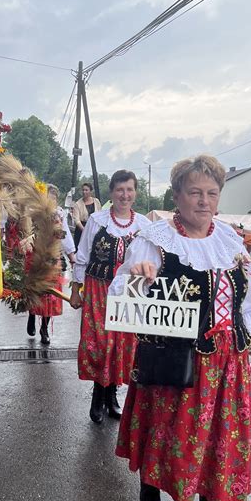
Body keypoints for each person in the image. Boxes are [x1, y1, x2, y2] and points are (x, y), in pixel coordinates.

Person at [109, 155, 251, 501]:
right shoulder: (155, 239)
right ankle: (150, 480)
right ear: (177, 196)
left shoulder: (232, 242)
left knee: (223, 449)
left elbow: (247, 304)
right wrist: (137, 276)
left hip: (230, 365)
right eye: (195, 192)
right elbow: (119, 296)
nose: (204, 201)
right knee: (166, 436)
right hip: (178, 363)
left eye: (212, 193)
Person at [70, 170, 150, 423]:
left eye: (129, 189)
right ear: (112, 192)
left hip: (129, 292)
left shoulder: (145, 226)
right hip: (98, 290)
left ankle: (112, 394)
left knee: (122, 344)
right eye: (120, 190)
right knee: (100, 343)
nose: (125, 195)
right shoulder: (97, 220)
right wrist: (75, 290)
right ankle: (98, 393)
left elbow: (154, 260)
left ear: (135, 192)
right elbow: (82, 256)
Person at [27, 184, 76, 345]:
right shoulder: (35, 214)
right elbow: (28, 234)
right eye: (48, 198)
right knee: (36, 291)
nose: (51, 201)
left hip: (54, 258)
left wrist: (72, 257)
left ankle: (44, 329)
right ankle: (32, 316)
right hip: (37, 257)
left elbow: (66, 237)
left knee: (51, 295)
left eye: (53, 198)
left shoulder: (60, 215)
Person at [71, 183, 102, 249]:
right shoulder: (77, 204)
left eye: (86, 190)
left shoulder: (96, 201)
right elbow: (77, 220)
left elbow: (100, 215)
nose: (84, 192)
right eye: (83, 190)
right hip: (82, 229)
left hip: (94, 228)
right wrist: (85, 230)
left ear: (90, 191)